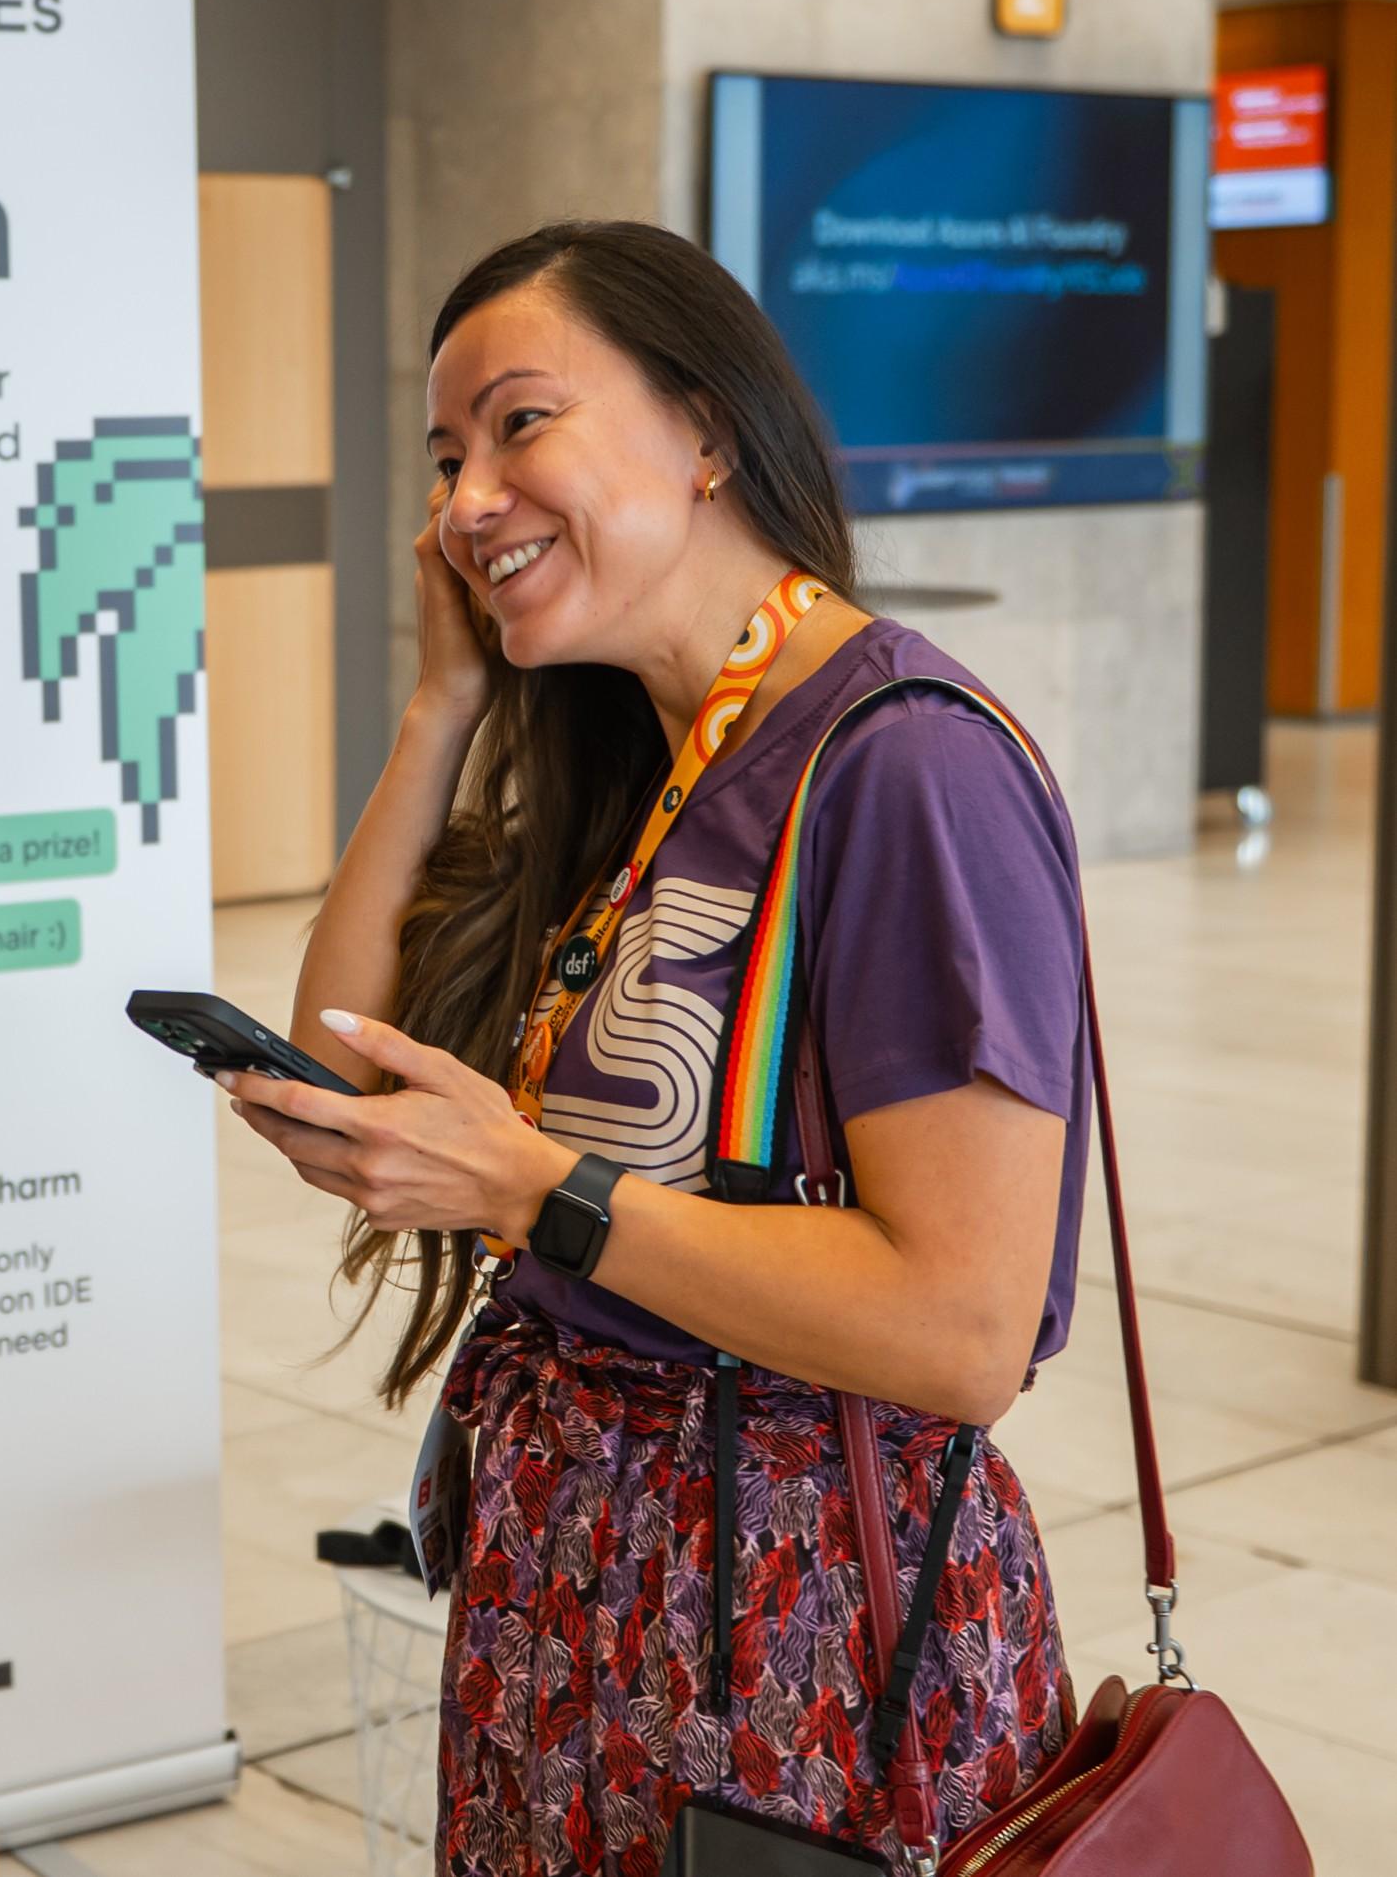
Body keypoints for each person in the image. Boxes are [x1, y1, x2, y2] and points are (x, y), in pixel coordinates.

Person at [221, 221, 1087, 1874]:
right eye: (446, 454)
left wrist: (544, 1191)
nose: (466, 497)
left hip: (797, 1630)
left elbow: (963, 1325)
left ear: (704, 432)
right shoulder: (653, 754)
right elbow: (344, 1056)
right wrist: (440, 710)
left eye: (520, 423)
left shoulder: (903, 764)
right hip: (577, 1598)